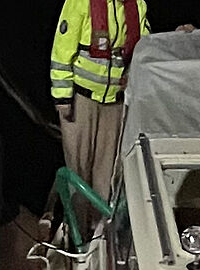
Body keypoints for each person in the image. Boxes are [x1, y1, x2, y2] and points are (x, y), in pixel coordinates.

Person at [49, 0, 149, 202]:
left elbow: (145, 48)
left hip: (115, 103)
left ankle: (99, 230)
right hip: (81, 101)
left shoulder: (137, 5)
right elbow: (62, 49)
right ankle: (77, 228)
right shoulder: (80, 2)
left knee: (107, 173)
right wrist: (63, 97)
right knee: (78, 171)